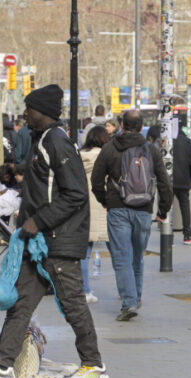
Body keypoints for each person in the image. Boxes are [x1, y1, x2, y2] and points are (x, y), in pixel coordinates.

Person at [0, 84, 109, 378]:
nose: (24, 113)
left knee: (73, 305)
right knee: (19, 303)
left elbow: (75, 194)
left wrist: (38, 221)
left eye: (29, 108)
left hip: (57, 239)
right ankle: (2, 366)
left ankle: (94, 364)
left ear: (42, 111)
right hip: (40, 240)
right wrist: (15, 171)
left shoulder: (57, 141)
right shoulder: (40, 139)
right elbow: (44, 177)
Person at [91, 109, 173, 322]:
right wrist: (163, 210)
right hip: (144, 209)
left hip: (118, 208)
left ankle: (129, 302)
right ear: (141, 126)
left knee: (122, 258)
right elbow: (164, 182)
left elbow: (96, 179)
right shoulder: (151, 150)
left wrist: (105, 200)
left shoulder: (110, 148)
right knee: (137, 257)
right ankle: (134, 298)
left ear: (123, 125)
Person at [79, 125, 111, 303]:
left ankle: (84, 290)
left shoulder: (80, 157)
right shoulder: (105, 156)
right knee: (120, 252)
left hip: (84, 208)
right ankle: (128, 290)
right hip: (104, 206)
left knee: (84, 253)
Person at [172, 128, 191, 245]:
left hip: (167, 179)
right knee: (185, 206)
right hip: (183, 179)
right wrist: (190, 177)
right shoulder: (188, 142)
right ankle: (187, 235)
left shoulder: (165, 141)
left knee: (167, 206)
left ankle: (168, 237)